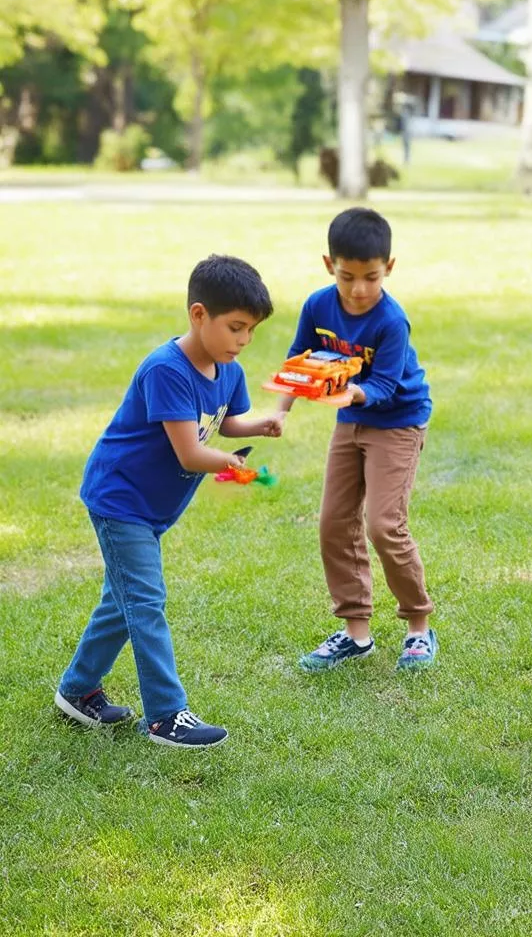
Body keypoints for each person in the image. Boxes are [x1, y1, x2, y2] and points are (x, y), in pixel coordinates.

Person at [56, 255, 280, 748]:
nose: (242, 341)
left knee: (123, 603)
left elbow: (226, 421)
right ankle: (165, 715)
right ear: (199, 315)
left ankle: (76, 690)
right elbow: (191, 451)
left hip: (151, 507)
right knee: (146, 601)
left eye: (250, 332)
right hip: (121, 501)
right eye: (235, 328)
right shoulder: (167, 370)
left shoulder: (227, 368)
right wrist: (234, 465)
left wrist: (258, 425)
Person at [278, 207, 435, 672]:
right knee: (333, 521)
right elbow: (298, 360)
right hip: (349, 417)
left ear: (390, 267)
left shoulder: (391, 321)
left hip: (398, 420)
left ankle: (419, 626)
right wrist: (281, 411)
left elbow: (384, 386)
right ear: (330, 265)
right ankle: (355, 633)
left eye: (371, 276)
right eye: (348, 277)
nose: (360, 289)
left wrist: (345, 392)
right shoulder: (318, 305)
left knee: (384, 525)